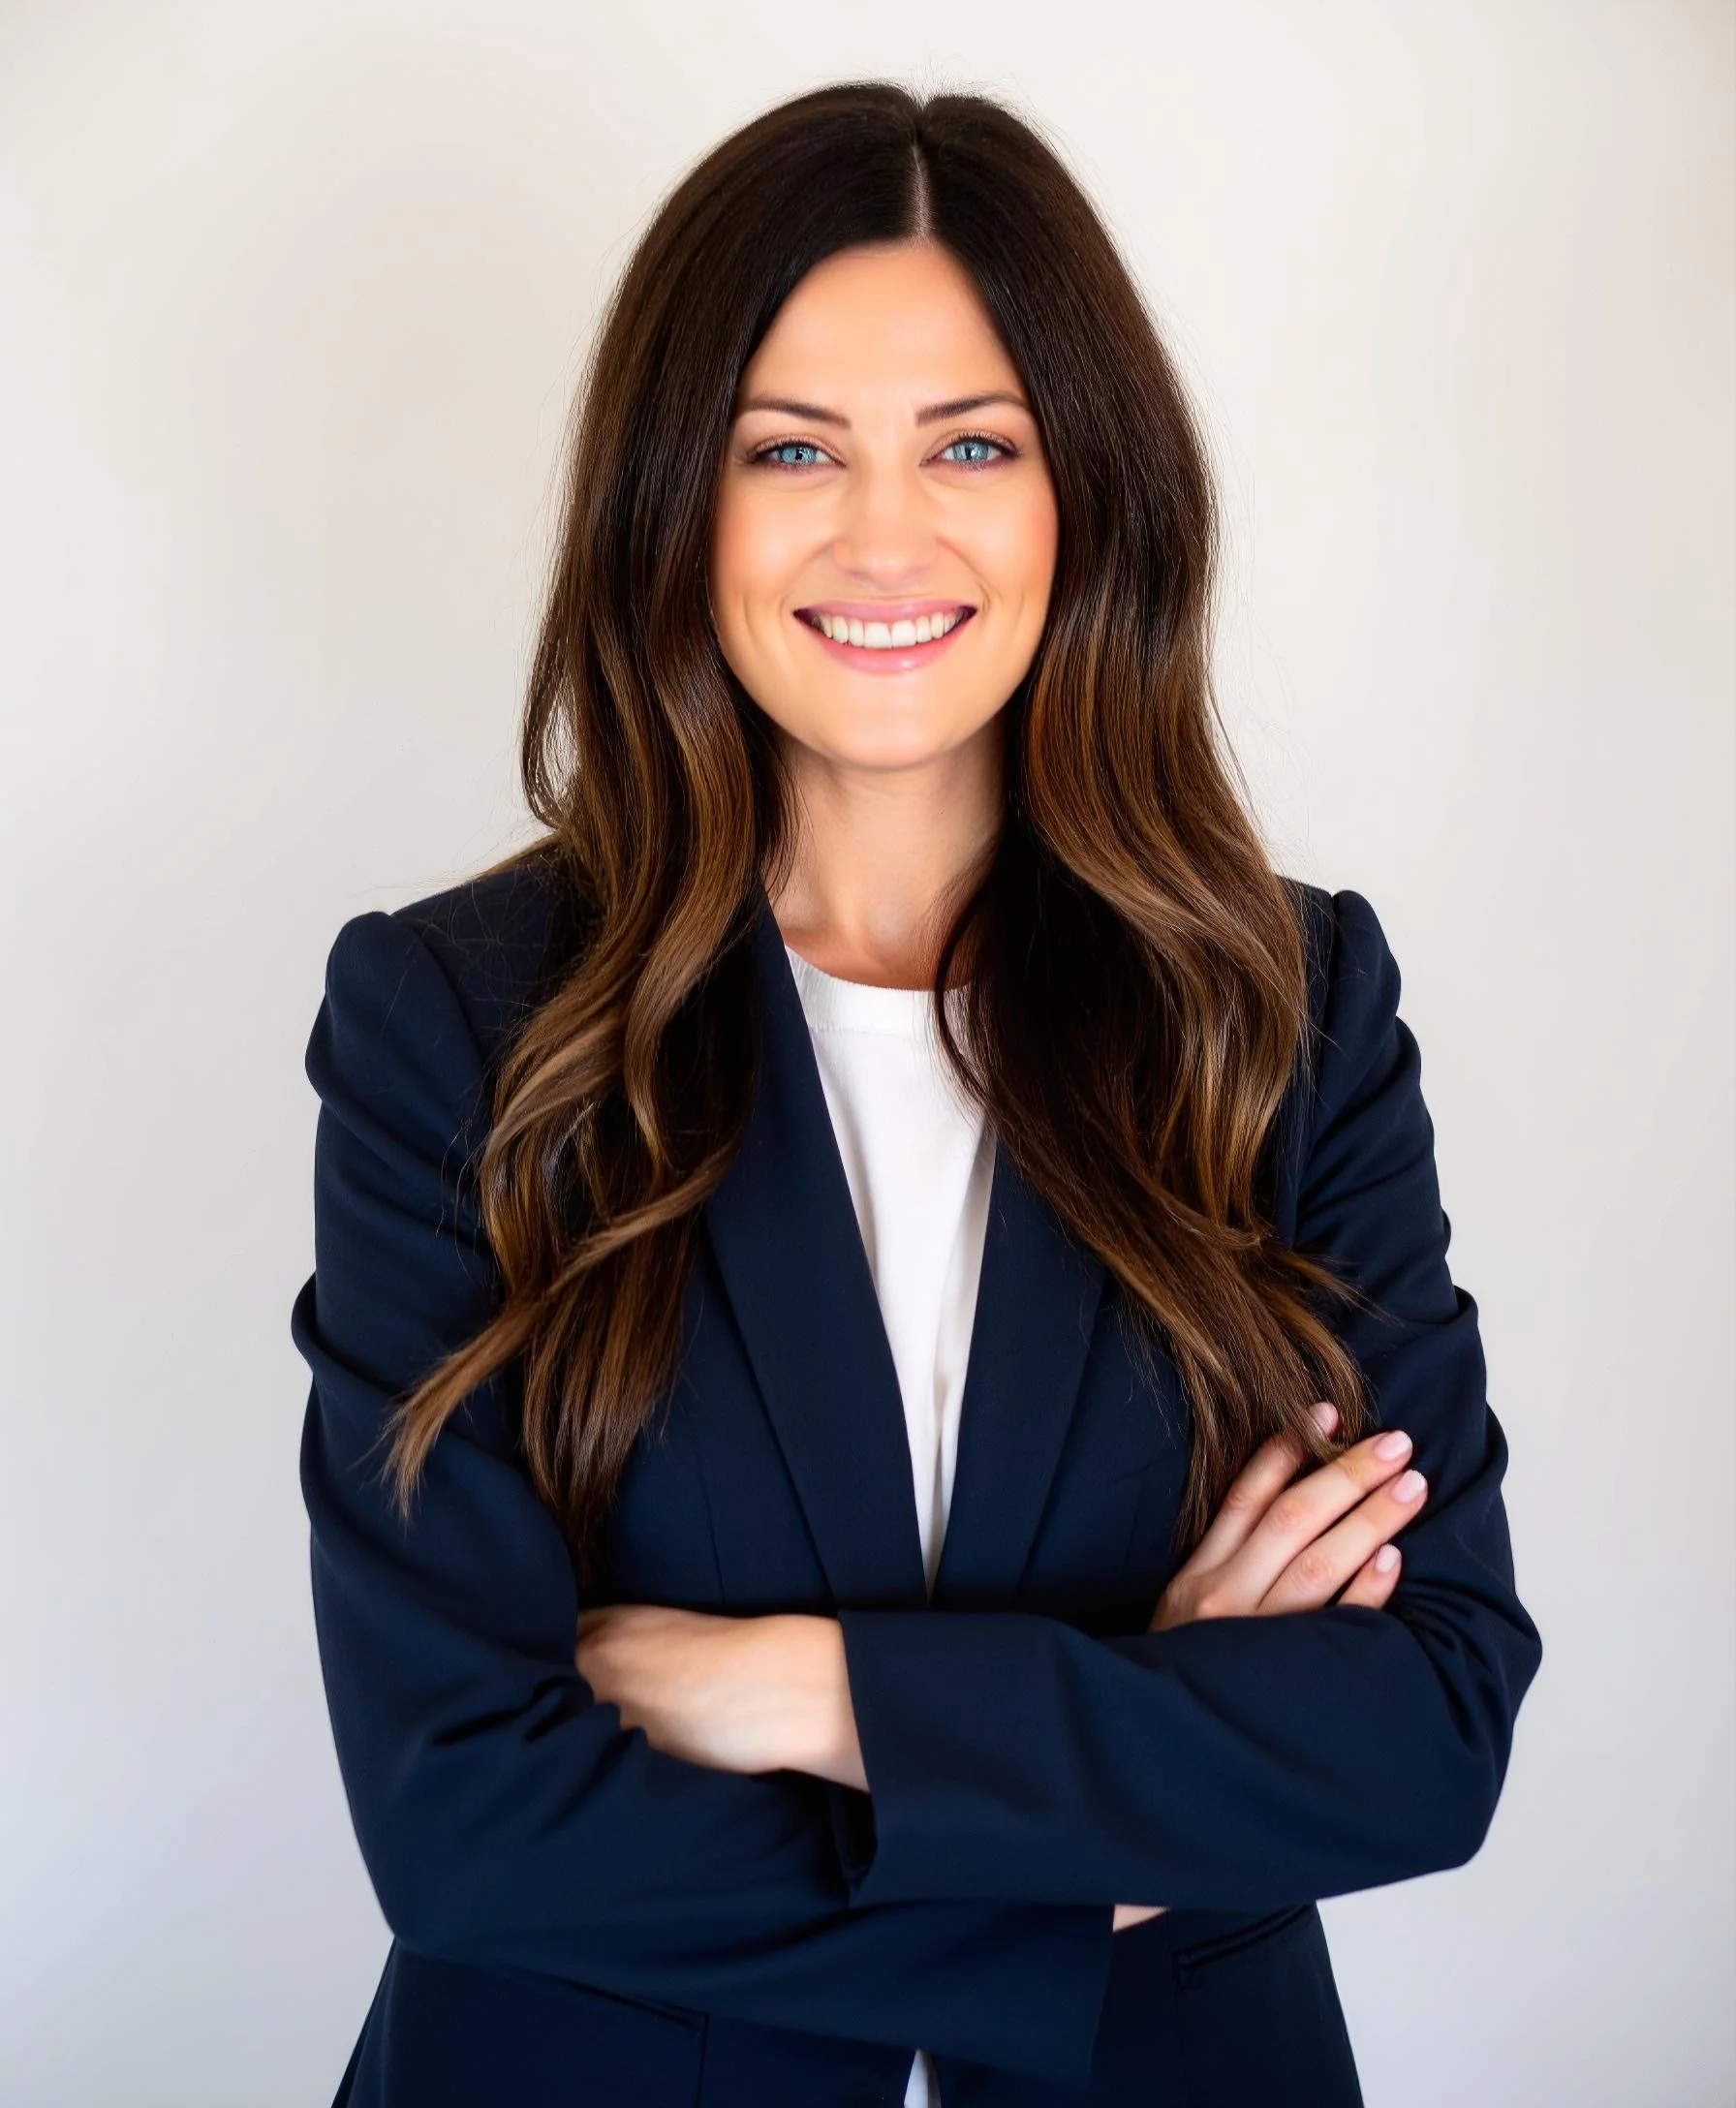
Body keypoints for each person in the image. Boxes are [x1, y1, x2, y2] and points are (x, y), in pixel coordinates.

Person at [291, 80, 1542, 2108]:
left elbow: (1422, 1716)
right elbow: (463, 1817)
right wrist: (1137, 1768)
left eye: (971, 442)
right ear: (672, 504)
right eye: (791, 449)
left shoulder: (1279, 1005)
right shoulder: (460, 1018)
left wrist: (806, 1686)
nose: (885, 531)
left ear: (1086, 495)